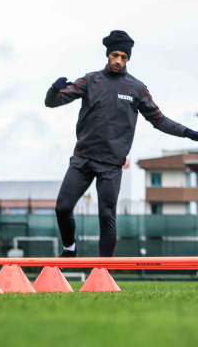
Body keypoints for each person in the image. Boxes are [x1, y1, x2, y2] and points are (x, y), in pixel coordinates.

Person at [46, 30, 198, 257]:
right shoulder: (91, 80)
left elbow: (159, 120)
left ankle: (102, 270)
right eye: (115, 55)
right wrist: (53, 89)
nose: (118, 60)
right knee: (62, 208)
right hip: (83, 159)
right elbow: (52, 103)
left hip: (111, 164)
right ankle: (70, 248)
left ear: (128, 59)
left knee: (106, 216)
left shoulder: (136, 88)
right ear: (108, 55)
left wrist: (188, 132)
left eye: (124, 57)